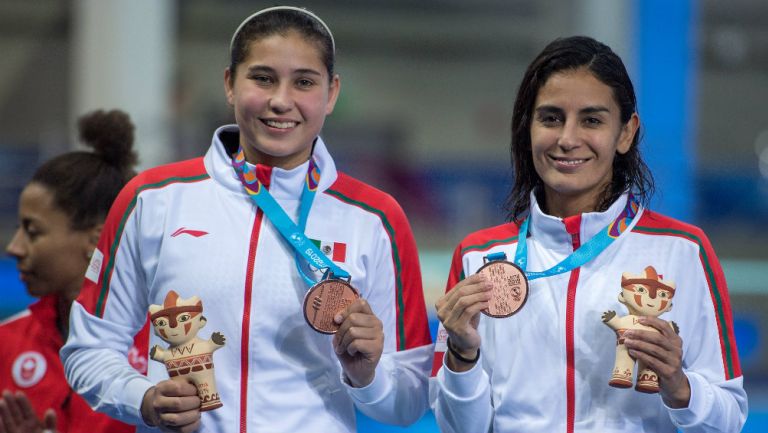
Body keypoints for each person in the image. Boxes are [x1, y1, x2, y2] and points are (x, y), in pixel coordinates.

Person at [61, 6, 432, 433]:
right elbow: (89, 349)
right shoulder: (152, 200)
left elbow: (410, 400)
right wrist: (140, 398)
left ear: (331, 94)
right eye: (263, 78)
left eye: (304, 82)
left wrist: (367, 377)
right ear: (229, 85)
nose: (281, 100)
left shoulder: (376, 219)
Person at [431, 36, 747, 433]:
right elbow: (459, 429)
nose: (567, 138)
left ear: (626, 132)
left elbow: (730, 419)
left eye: (592, 120)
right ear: (527, 127)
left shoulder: (683, 251)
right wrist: (462, 355)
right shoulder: (478, 257)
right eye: (551, 118)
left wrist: (680, 388)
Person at [1, 110, 147, 433]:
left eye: (33, 231)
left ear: (96, 240)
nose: (15, 247)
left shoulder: (164, 345)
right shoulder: (6, 342)